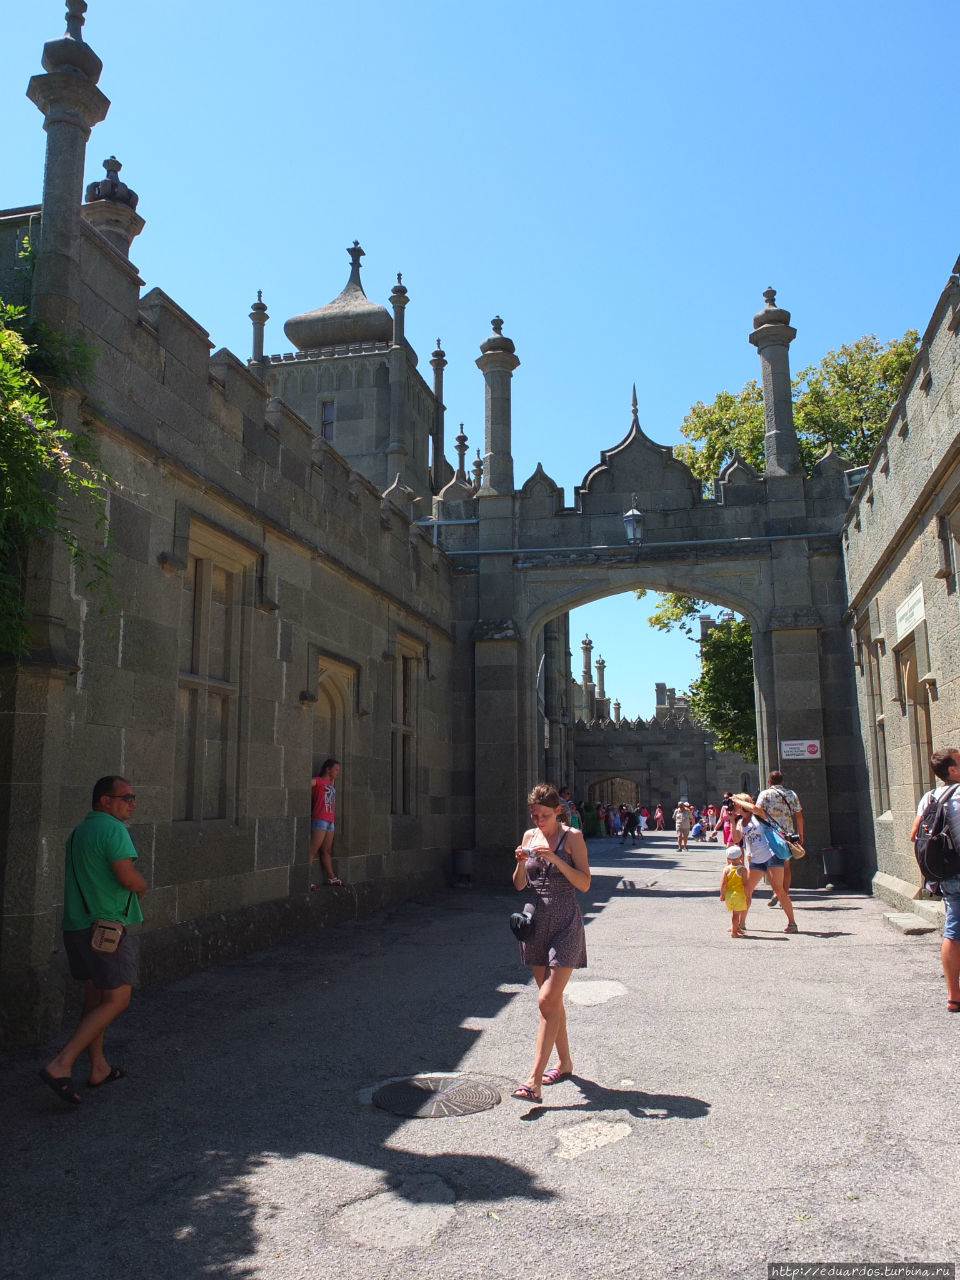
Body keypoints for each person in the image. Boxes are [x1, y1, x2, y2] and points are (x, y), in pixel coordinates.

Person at [39, 776, 146, 1105]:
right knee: (118, 999)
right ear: (104, 800)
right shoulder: (113, 830)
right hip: (105, 928)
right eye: (125, 797)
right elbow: (127, 878)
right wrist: (142, 885)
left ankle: (98, 1066)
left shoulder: (79, 832)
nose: (132, 802)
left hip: (77, 924)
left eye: (132, 797)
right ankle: (62, 1063)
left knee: (96, 996)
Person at [511, 783, 591, 1103]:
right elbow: (519, 885)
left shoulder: (572, 838)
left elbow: (585, 883)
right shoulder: (529, 837)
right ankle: (565, 1062)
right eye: (534, 815)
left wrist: (556, 860)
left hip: (565, 921)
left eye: (544, 815)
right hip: (535, 923)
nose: (538, 820)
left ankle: (533, 1082)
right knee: (552, 1001)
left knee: (546, 999)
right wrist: (519, 861)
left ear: (557, 811)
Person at [909, 748, 960, 1012]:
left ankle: (954, 997)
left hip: (948, 874)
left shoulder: (929, 797)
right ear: (952, 770)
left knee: (953, 931)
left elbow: (914, 835)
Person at [729, 792, 797, 932]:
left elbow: (754, 808)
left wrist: (738, 801)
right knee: (746, 890)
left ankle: (792, 923)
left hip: (772, 855)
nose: (733, 806)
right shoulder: (741, 822)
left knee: (779, 890)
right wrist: (731, 820)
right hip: (756, 859)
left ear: (742, 804)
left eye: (735, 804)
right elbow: (736, 839)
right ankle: (741, 923)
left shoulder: (758, 815)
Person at [756, 770, 804, 909]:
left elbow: (758, 810)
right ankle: (784, 895)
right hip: (788, 835)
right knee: (786, 866)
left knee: (771, 865)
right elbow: (799, 815)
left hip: (771, 835)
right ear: (782, 781)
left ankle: (777, 892)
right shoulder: (791, 794)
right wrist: (801, 834)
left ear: (769, 782)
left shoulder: (764, 794)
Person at [310, 758, 342, 887]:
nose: (337, 772)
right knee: (312, 850)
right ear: (327, 769)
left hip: (330, 821)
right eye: (336, 769)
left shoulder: (331, 783)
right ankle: (305, 880)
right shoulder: (318, 781)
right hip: (320, 819)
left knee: (327, 850)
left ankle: (331, 877)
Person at [720, 847, 748, 937]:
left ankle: (735, 928)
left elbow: (723, 883)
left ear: (728, 858)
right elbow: (745, 883)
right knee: (736, 914)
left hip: (729, 894)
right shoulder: (743, 869)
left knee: (734, 913)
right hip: (739, 894)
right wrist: (747, 893)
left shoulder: (726, 869)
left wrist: (722, 894)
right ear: (741, 857)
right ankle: (734, 932)